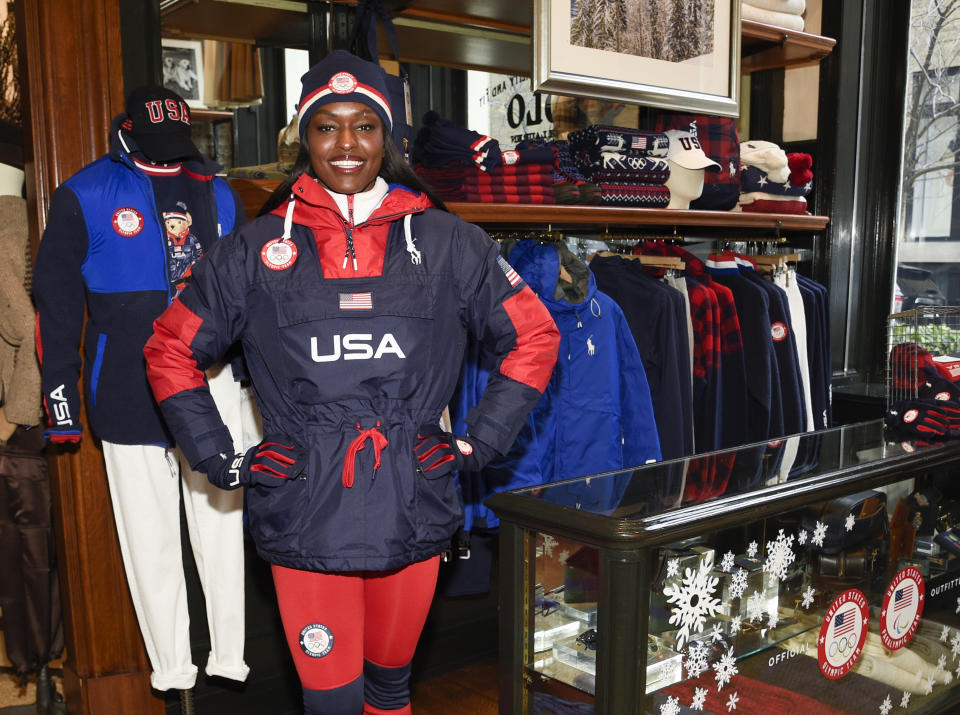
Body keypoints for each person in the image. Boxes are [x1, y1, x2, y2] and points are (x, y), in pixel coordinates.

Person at [143, 50, 560, 715]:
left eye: (364, 125)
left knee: (391, 689)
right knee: (332, 702)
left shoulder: (450, 243)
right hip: (305, 511)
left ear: (385, 135)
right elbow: (169, 348)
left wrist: (477, 443)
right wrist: (219, 457)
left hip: (411, 502)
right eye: (327, 125)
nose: (346, 144)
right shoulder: (253, 252)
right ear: (303, 136)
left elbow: (535, 335)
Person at [33, 85, 258, 697]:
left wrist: (254, 386)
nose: (169, 157)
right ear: (126, 132)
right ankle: (173, 668)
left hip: (211, 382)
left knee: (221, 528)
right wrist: (61, 402)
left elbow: (249, 302)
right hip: (126, 388)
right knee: (149, 537)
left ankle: (229, 656)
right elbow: (54, 307)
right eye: (156, 146)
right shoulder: (84, 194)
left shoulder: (219, 194)